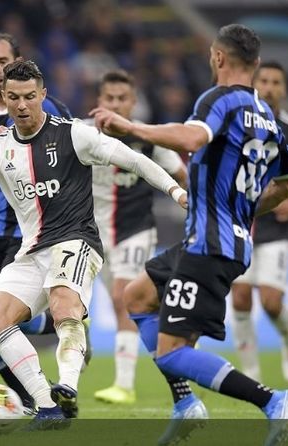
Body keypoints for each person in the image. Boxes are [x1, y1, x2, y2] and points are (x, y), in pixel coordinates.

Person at [0, 60, 187, 427]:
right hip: (31, 251)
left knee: (63, 305)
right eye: (14, 98)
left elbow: (133, 159)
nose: (22, 105)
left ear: (43, 96)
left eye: (30, 97)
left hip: (77, 241)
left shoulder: (73, 135)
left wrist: (176, 191)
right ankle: (47, 405)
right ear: (4, 97)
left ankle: (67, 385)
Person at [91, 24, 288, 446]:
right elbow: (287, 184)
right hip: (214, 240)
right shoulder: (266, 115)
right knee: (136, 297)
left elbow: (192, 136)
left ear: (219, 58)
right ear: (256, 64)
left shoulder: (219, 99)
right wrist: (239, 208)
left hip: (210, 245)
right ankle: (186, 404)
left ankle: (272, 400)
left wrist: (133, 129)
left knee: (172, 351)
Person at [0, 32, 74, 413]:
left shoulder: (48, 105)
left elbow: (68, 159)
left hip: (32, 231)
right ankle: (29, 395)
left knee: (0, 318)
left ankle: (43, 378)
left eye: (1, 61)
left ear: (18, 60)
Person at [87, 70, 188, 405]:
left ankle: (124, 385)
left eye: (122, 98)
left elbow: (180, 173)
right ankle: (177, 333)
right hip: (94, 234)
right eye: (109, 98)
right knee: (113, 304)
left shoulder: (148, 138)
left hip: (136, 229)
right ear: (99, 102)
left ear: (133, 102)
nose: (116, 104)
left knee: (122, 297)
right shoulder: (82, 135)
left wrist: (199, 206)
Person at [231, 61, 288, 382]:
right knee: (240, 297)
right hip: (241, 221)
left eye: (276, 82)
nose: (269, 87)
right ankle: (251, 370)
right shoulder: (238, 123)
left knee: (271, 303)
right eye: (264, 80)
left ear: (284, 89)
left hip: (277, 225)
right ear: (255, 85)